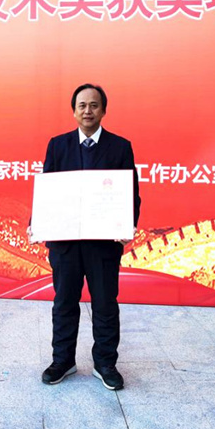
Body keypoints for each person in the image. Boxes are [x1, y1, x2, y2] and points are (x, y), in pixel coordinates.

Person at [38, 83, 141, 391]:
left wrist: (127, 225)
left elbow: (131, 194)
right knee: (64, 303)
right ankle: (62, 361)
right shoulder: (58, 146)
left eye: (94, 105)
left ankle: (105, 363)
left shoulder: (120, 147)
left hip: (103, 245)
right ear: (74, 111)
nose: (87, 111)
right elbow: (47, 191)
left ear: (103, 110)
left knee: (105, 304)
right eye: (82, 105)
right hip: (65, 243)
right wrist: (38, 224)